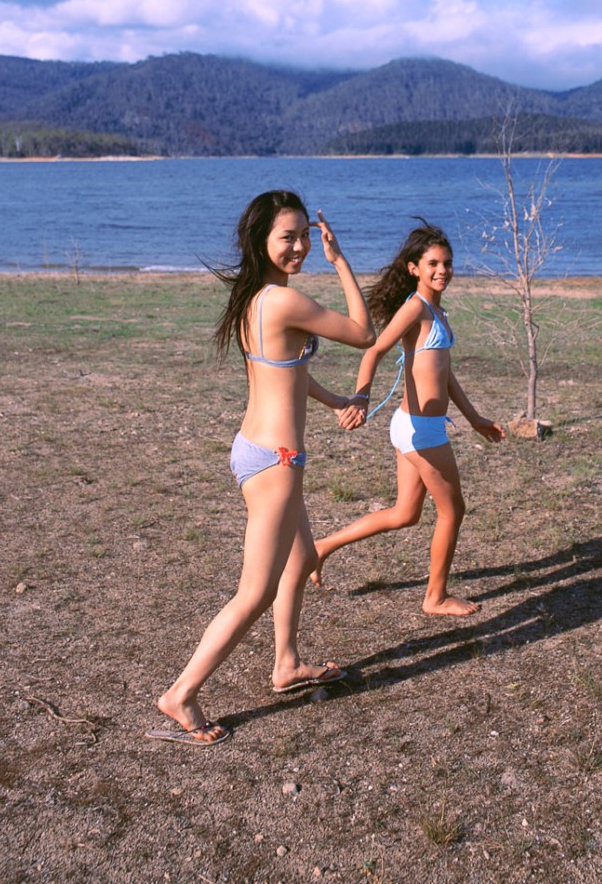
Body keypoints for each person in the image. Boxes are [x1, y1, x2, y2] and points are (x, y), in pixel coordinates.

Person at [148, 190, 374, 746]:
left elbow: (284, 372)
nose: (300, 247)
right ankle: (181, 693)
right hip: (276, 461)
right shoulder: (281, 301)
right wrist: (340, 260)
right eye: (287, 237)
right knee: (255, 592)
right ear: (261, 241)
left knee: (301, 557)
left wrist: (336, 401)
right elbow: (363, 332)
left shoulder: (257, 297)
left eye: (305, 236)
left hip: (256, 448)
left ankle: (287, 663)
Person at [313, 220, 504, 617]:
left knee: (405, 514)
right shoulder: (416, 308)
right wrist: (361, 396)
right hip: (422, 432)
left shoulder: (438, 310)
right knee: (453, 511)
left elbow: (444, 374)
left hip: (411, 426)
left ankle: (321, 547)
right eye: (433, 263)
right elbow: (373, 351)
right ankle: (435, 597)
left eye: (447, 263)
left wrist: (474, 419)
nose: (442, 270)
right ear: (414, 268)